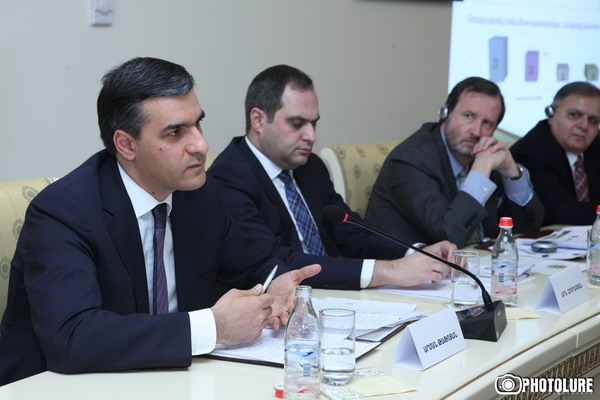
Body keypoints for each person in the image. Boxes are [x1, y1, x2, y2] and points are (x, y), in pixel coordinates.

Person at [0, 57, 319, 386]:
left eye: (197, 124)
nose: (201, 145)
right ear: (126, 145)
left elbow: (251, 263)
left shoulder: (199, 194)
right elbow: (72, 338)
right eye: (175, 132)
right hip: (56, 386)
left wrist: (276, 281)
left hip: (170, 380)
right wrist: (214, 327)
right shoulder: (63, 212)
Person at [209, 64, 453, 291]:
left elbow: (351, 232)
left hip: (339, 296)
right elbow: (277, 262)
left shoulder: (310, 166)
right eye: (297, 124)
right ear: (258, 120)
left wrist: (417, 253)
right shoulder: (228, 178)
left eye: (314, 124)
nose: (311, 136)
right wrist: (391, 271)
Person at [365, 77, 544, 248]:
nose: (476, 131)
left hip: (477, 261)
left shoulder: (488, 156)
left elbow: (528, 229)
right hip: (408, 266)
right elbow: (448, 236)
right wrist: (480, 171)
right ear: (446, 113)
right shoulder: (410, 160)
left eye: (487, 123)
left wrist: (512, 172)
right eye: (469, 116)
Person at [511, 82, 600, 225]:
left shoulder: (595, 145)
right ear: (551, 113)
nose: (584, 125)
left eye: (593, 120)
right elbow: (557, 211)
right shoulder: (532, 149)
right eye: (574, 115)